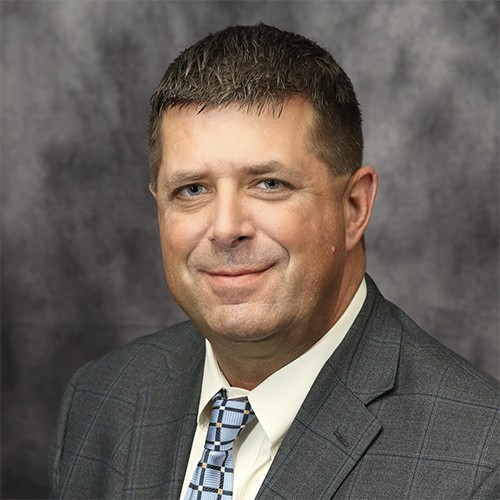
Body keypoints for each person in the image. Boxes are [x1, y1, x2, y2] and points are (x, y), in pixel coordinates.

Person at [49, 24, 499, 499]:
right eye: (192, 190)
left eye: (269, 184)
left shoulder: (480, 458)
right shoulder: (100, 398)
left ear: (354, 208)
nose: (225, 228)